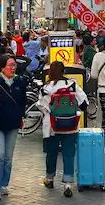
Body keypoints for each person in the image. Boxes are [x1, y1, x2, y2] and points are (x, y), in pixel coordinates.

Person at [38, 61, 88, 197]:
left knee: (51, 153)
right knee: (69, 154)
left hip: (52, 127)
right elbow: (84, 103)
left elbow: (41, 106)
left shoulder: (45, 88)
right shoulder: (72, 85)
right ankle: (68, 183)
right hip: (71, 126)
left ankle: (49, 178)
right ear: (63, 71)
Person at [0, 55, 27, 200]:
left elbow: (23, 101)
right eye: (10, 65)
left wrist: (21, 116)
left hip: (13, 124)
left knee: (8, 157)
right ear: (2, 67)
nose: (13, 68)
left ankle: (4, 183)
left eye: (14, 65)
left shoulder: (19, 82)